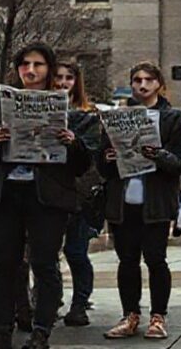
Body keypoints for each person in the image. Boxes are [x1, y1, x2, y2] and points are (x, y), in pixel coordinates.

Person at [0, 43, 92, 349]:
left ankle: (41, 332)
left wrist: (72, 142)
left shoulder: (67, 108)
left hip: (47, 197)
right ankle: (0, 331)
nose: (31, 70)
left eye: (38, 64)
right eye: (25, 64)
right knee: (4, 264)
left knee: (45, 264)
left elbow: (84, 165)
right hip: (6, 195)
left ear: (49, 69)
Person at [100, 62, 181, 341]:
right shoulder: (116, 117)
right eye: (137, 80)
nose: (142, 85)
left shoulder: (172, 118)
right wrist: (106, 159)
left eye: (149, 79)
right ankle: (130, 314)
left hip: (155, 202)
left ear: (159, 84)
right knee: (126, 261)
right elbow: (101, 165)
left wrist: (160, 155)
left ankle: (158, 316)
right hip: (123, 201)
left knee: (156, 259)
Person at [53, 61, 102, 327]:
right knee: (46, 254)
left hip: (79, 195)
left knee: (76, 252)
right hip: (48, 191)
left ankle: (80, 303)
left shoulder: (88, 115)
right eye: (58, 77)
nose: (62, 82)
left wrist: (74, 141)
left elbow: (92, 156)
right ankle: (50, 301)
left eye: (68, 78)